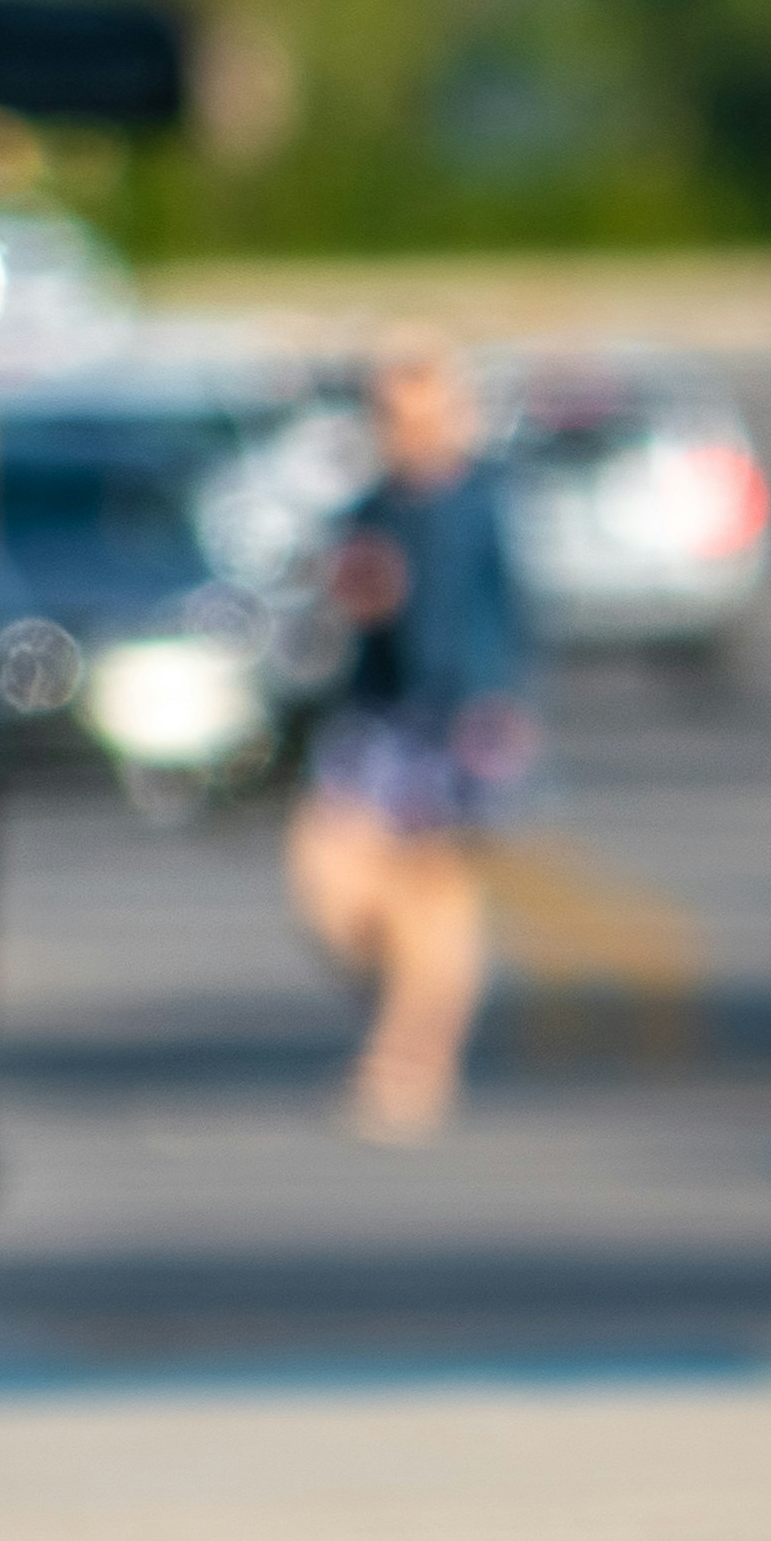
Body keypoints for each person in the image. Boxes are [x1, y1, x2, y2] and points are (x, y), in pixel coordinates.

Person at [279, 342, 536, 1141]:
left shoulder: (479, 502)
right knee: (330, 875)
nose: (404, 427)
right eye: (388, 411)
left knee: (434, 898)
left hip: (458, 718)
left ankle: (409, 1062)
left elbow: (511, 620)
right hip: (378, 718)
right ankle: (402, 1017)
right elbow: (345, 606)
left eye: (419, 407)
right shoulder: (373, 506)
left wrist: (499, 716)